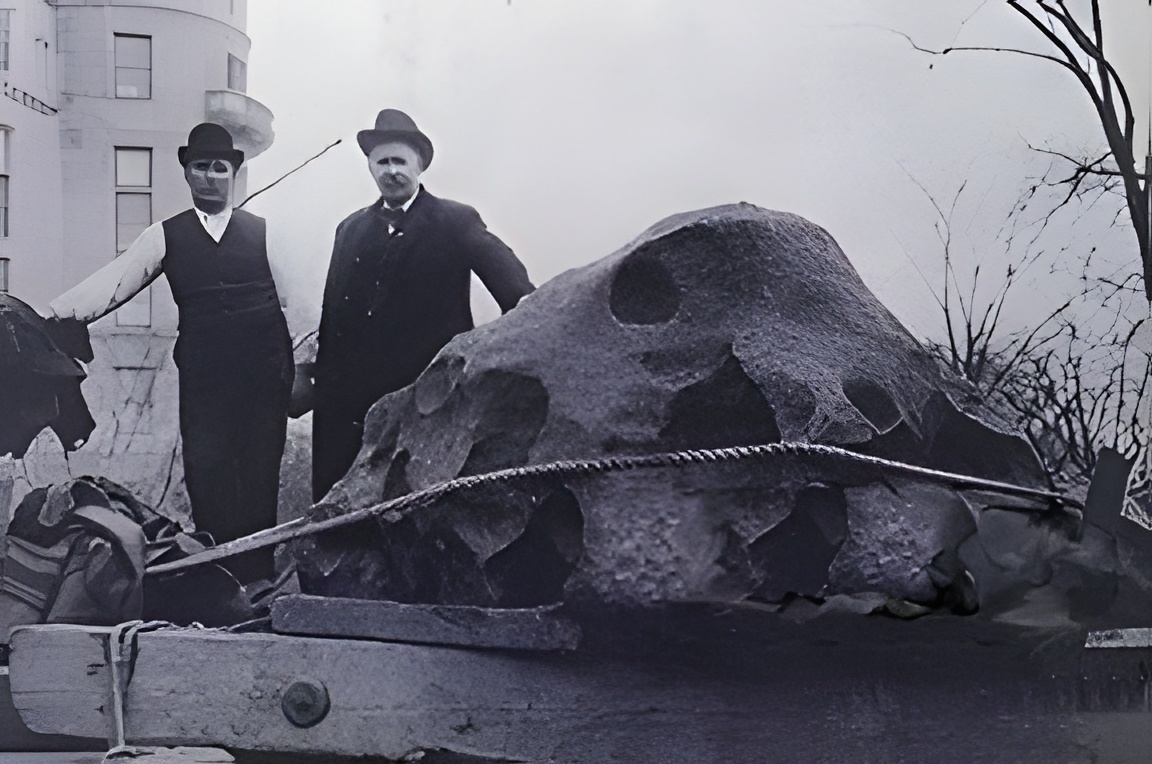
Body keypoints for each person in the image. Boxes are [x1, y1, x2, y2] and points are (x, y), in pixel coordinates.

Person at [50, 123, 293, 585]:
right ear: (186, 174)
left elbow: (296, 297)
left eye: (220, 168)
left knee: (260, 473)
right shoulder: (165, 235)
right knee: (207, 472)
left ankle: (259, 579)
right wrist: (56, 315)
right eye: (200, 167)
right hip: (205, 378)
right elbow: (114, 282)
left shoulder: (264, 232)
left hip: (265, 375)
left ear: (233, 175)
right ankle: (218, 580)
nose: (210, 177)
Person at [308, 109, 535, 501]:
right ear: (370, 168)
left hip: (426, 403)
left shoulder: (455, 220)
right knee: (341, 515)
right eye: (382, 162)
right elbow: (334, 318)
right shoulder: (350, 230)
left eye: (400, 161)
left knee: (418, 508)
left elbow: (516, 293)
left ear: (419, 166)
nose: (391, 171)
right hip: (351, 410)